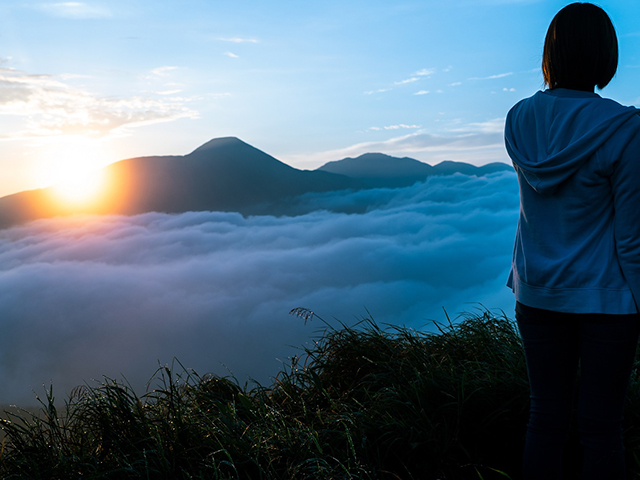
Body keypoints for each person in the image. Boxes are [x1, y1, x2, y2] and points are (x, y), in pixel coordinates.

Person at [504, 3, 640, 479]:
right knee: (601, 430)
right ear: (607, 55)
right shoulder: (626, 128)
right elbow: (633, 237)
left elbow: (537, 210)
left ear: (551, 54)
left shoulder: (519, 119)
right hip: (607, 299)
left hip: (537, 292)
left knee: (545, 420)